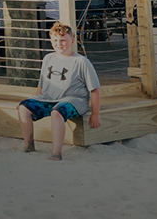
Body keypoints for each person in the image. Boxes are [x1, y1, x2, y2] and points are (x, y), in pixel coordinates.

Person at [17, 22, 101, 161]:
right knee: (23, 107)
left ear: (72, 41)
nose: (59, 43)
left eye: (63, 40)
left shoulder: (81, 62)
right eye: (55, 40)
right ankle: (29, 145)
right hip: (49, 97)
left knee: (57, 112)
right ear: (51, 41)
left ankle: (56, 153)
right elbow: (42, 84)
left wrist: (95, 114)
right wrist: (37, 99)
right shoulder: (48, 58)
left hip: (73, 100)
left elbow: (95, 89)